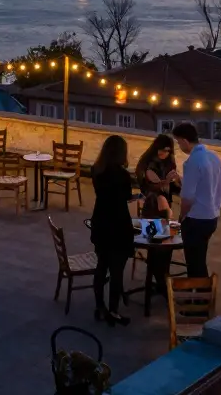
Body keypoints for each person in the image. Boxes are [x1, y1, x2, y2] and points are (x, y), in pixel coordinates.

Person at [89, 135, 134, 327]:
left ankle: (100, 306)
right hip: (119, 225)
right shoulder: (123, 175)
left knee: (101, 267)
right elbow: (126, 197)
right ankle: (113, 311)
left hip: (101, 222)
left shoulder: (96, 171)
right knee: (117, 272)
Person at [172, 122, 221, 278]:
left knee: (194, 263)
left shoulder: (193, 162)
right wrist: (183, 181)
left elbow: (187, 198)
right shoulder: (214, 158)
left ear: (185, 141)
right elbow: (209, 185)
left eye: (179, 142)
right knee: (200, 259)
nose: (179, 146)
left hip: (196, 219)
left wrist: (181, 217)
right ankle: (202, 295)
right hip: (212, 217)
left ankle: (199, 297)